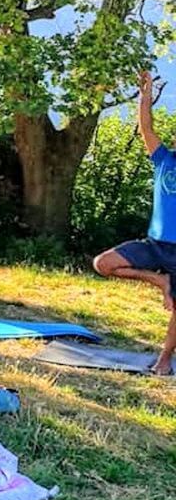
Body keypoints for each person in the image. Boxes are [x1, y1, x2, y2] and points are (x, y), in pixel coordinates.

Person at [93, 69, 176, 375]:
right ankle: (159, 281)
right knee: (103, 263)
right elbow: (146, 127)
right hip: (155, 245)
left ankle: (164, 358)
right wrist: (145, 96)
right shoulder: (164, 159)